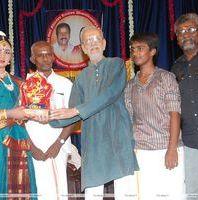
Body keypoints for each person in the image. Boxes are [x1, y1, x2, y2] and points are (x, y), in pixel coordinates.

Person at [49, 26, 139, 200]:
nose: (93, 44)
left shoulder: (116, 64)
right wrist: (49, 117)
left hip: (117, 135)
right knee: (93, 192)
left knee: (126, 191)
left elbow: (110, 93)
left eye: (97, 39)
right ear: (83, 48)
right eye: (88, 41)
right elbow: (72, 114)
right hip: (94, 139)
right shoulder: (81, 78)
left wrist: (76, 110)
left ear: (104, 43)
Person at [125, 33, 185, 200]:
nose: (135, 53)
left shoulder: (166, 78)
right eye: (132, 49)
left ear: (152, 51)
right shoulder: (130, 85)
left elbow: (175, 114)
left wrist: (171, 150)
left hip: (166, 148)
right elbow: (130, 120)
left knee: (172, 195)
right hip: (141, 151)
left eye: (140, 48)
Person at [25, 41, 72, 200]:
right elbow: (20, 119)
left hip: (58, 146)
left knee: (59, 191)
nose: (45, 59)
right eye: (40, 55)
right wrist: (31, 146)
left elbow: (73, 118)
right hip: (34, 146)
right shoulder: (25, 85)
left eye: (48, 54)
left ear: (54, 56)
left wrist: (58, 143)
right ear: (32, 59)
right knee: (38, 191)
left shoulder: (65, 84)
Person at [0, 31, 37, 199]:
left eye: (6, 51)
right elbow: (13, 112)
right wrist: (9, 113)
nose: (2, 55)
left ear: (11, 57)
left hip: (19, 141)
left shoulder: (19, 82)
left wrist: (29, 113)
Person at [172, 13, 198, 200]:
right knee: (193, 193)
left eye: (191, 30)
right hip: (190, 143)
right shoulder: (175, 68)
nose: (186, 35)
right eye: (181, 32)